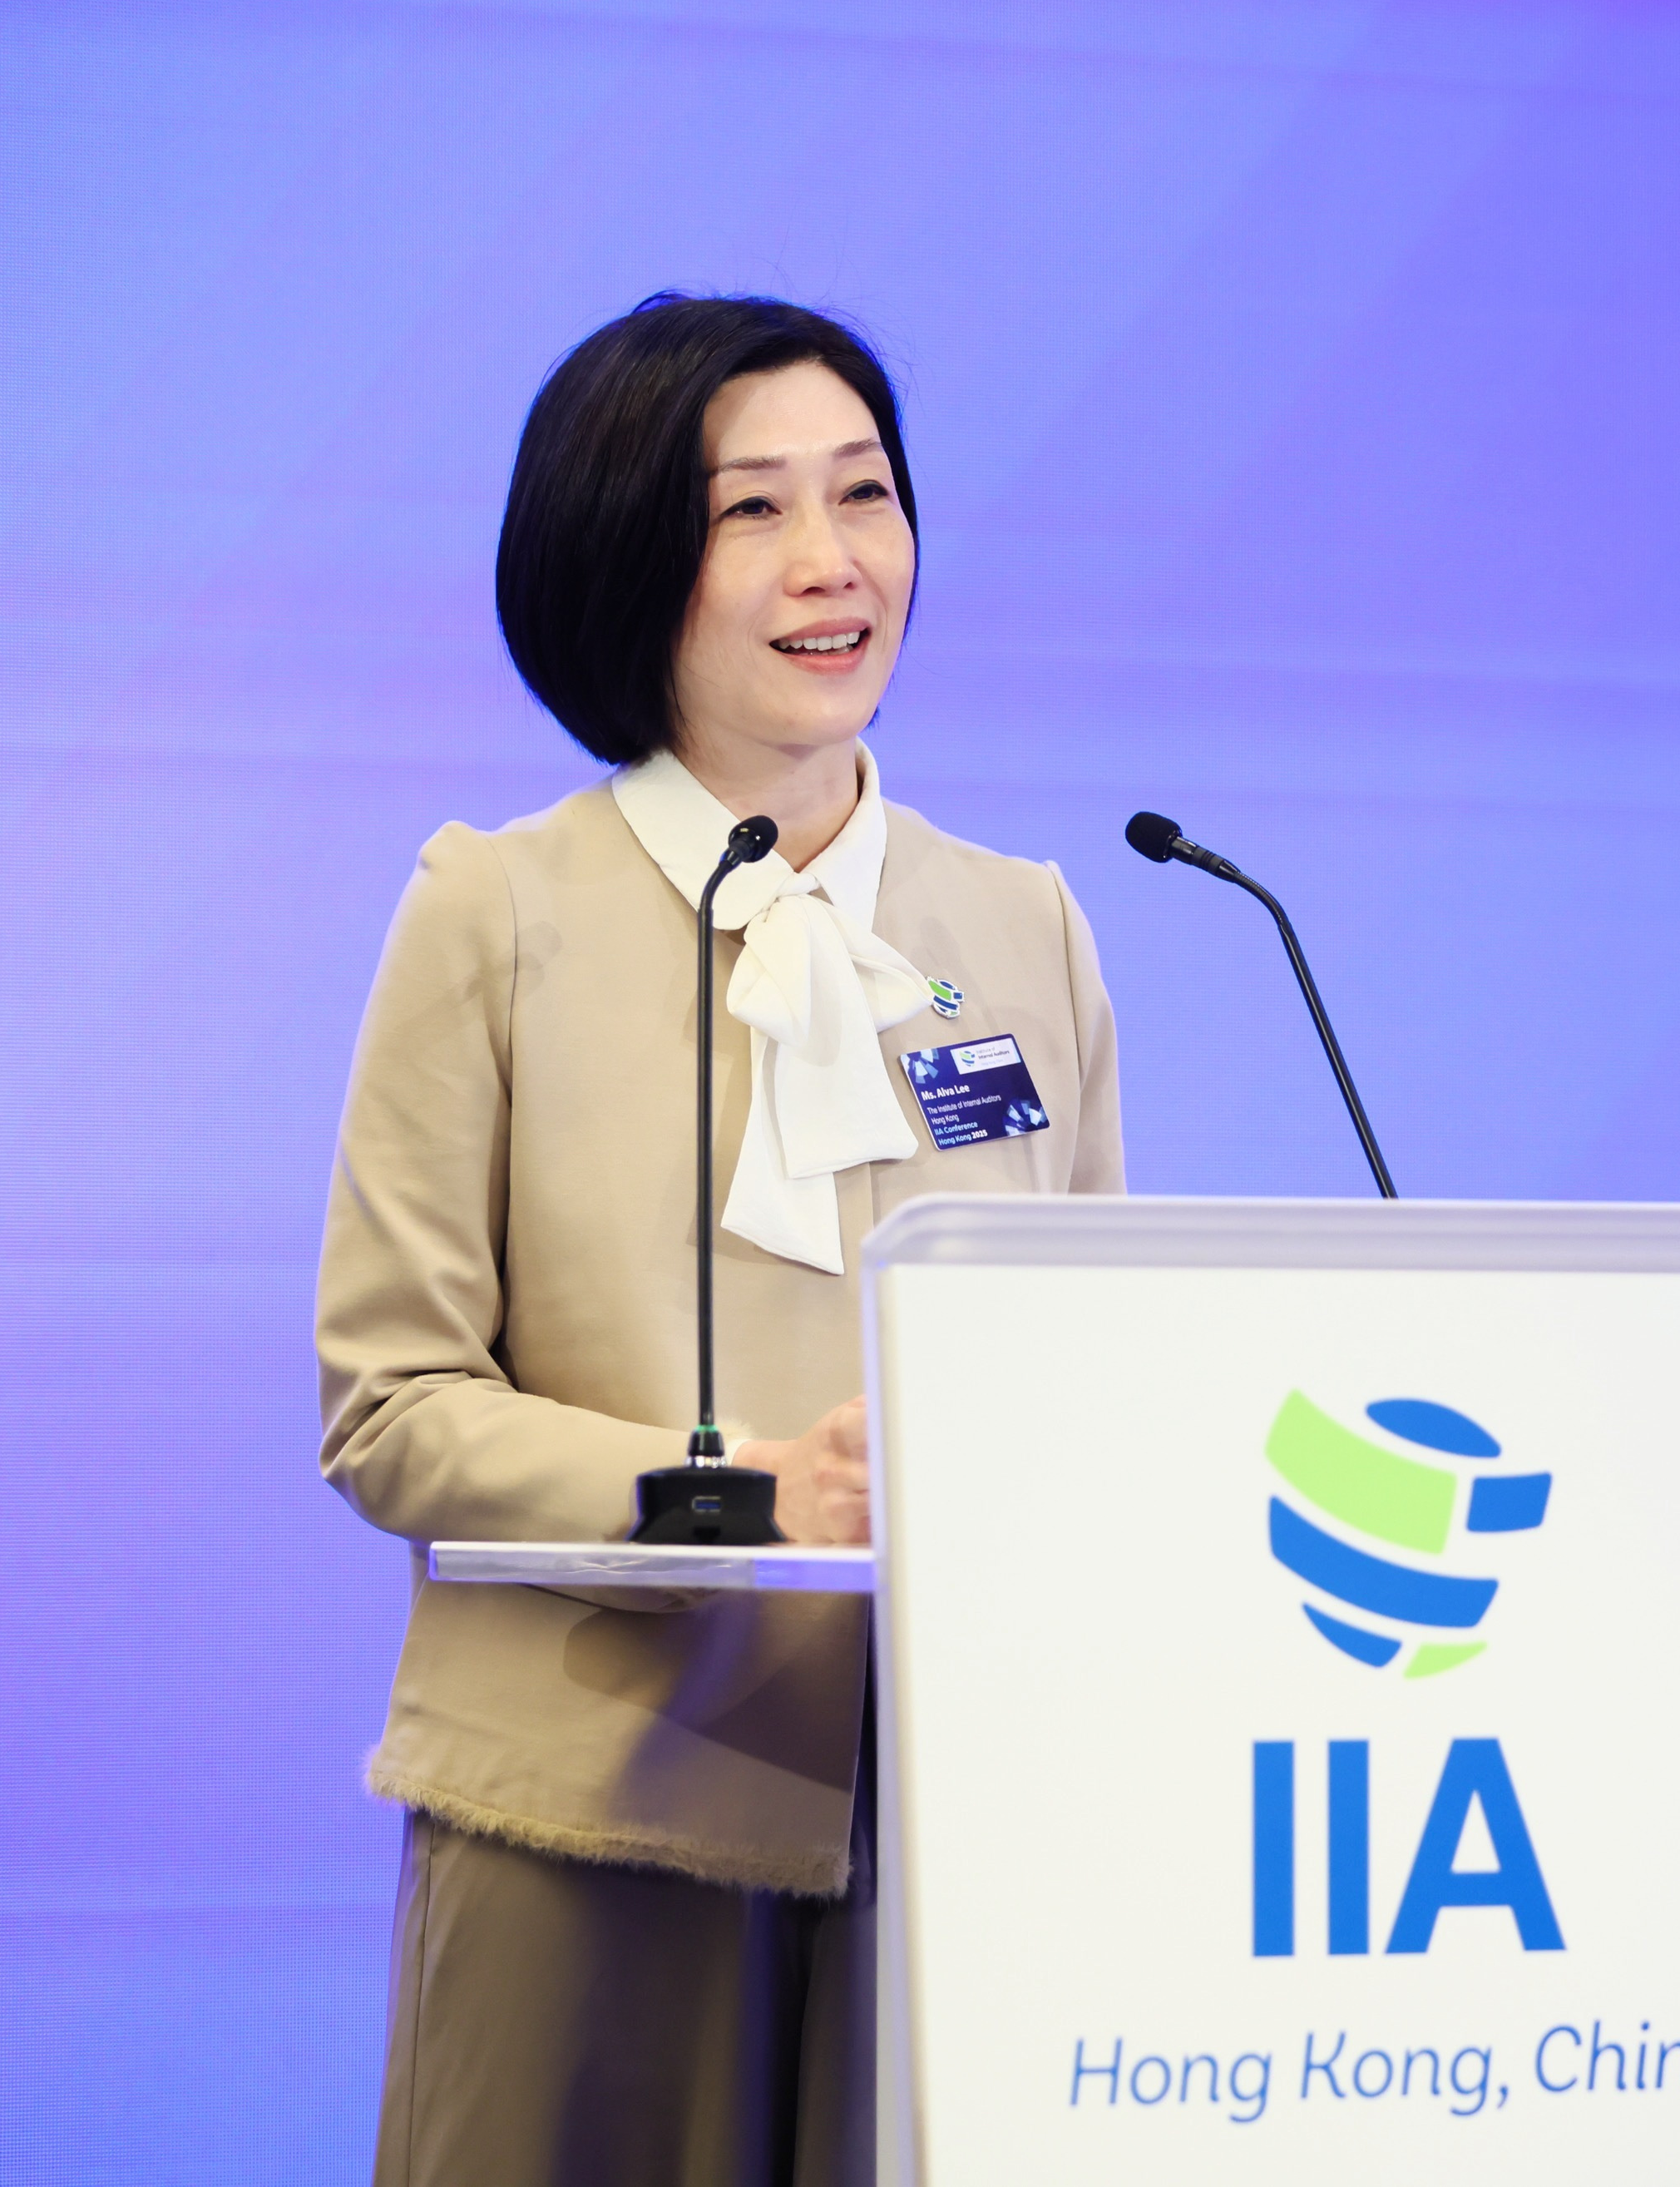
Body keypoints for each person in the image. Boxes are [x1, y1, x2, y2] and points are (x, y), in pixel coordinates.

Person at [317, 294, 1124, 2187]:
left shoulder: (1024, 925)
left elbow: (1090, 1377)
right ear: (626, 559)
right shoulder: (496, 909)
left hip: (951, 1832)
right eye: (752, 508)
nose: (832, 559)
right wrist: (745, 1492)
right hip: (594, 1817)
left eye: (865, 492)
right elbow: (392, 1409)